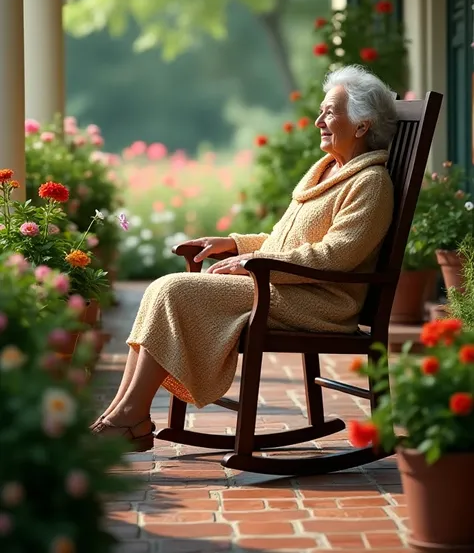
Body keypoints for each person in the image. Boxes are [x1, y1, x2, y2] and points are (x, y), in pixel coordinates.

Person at [92, 65, 398, 451]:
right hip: (284, 284)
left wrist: (254, 266)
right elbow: (283, 240)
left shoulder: (371, 184)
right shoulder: (326, 172)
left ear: (361, 126)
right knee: (162, 289)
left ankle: (129, 419)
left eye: (331, 112)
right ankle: (122, 415)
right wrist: (236, 244)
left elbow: (335, 255)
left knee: (175, 291)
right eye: (322, 110)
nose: (319, 120)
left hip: (321, 302)